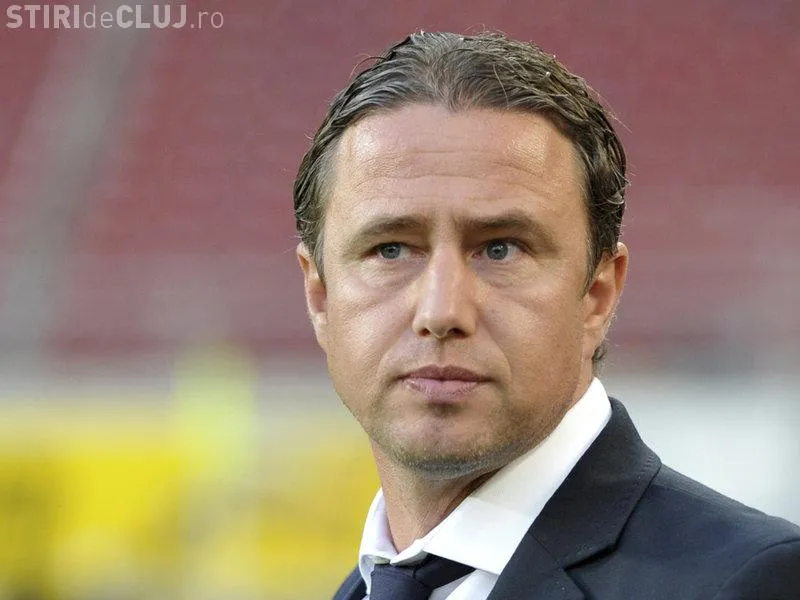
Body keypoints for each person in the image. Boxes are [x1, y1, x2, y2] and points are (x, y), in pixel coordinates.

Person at [293, 31, 800, 600]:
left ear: (597, 295)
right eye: (390, 250)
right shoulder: (363, 589)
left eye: (500, 249)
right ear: (320, 296)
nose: (441, 311)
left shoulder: (750, 582)